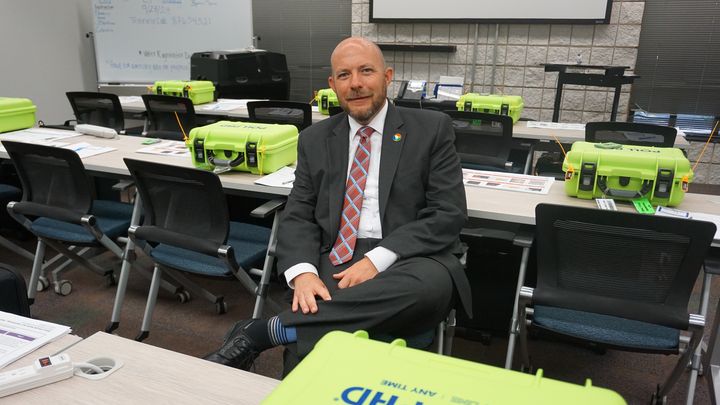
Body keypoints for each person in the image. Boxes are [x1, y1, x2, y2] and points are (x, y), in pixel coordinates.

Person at [204, 37, 471, 371]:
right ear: (333, 85)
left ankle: (268, 331)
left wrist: (377, 259)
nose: (356, 83)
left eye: (366, 71)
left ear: (387, 76)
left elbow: (448, 212)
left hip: (408, 257)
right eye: (344, 75)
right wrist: (302, 273)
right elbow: (299, 213)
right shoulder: (315, 139)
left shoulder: (430, 129)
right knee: (313, 299)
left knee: (431, 288)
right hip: (338, 254)